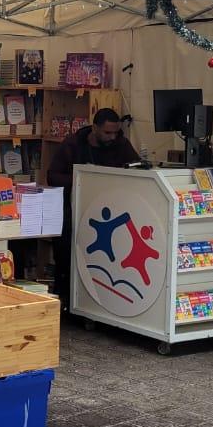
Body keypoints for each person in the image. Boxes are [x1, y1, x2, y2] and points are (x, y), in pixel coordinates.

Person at [46, 107, 140, 313]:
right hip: (75, 211)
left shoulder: (121, 144)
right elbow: (52, 176)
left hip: (111, 212)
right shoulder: (72, 144)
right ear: (94, 127)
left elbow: (137, 167)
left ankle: (101, 303)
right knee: (67, 254)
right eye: (107, 132)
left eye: (115, 132)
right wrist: (84, 180)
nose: (112, 137)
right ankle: (66, 302)